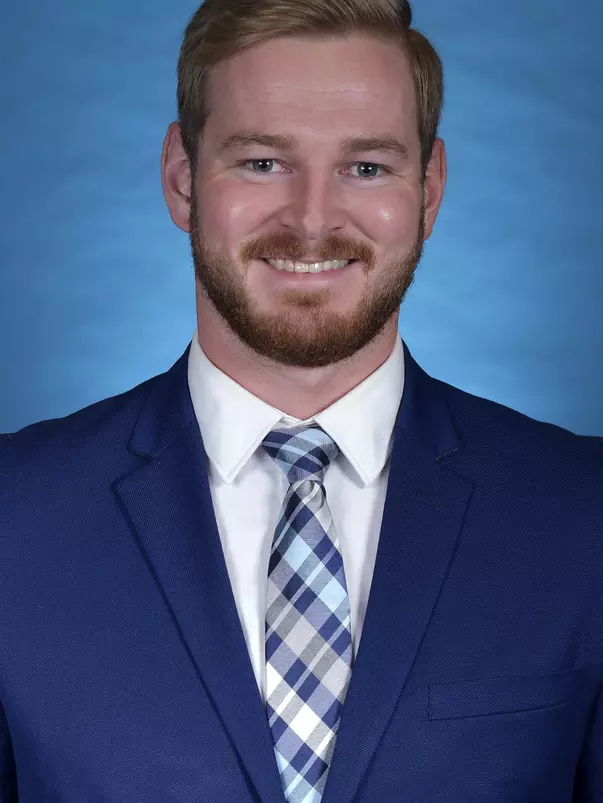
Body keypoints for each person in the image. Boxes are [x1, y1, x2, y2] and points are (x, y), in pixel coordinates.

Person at [0, 0, 601, 799]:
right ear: (182, 179)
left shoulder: (582, 516)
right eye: (260, 162)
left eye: (365, 167)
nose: (312, 222)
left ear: (428, 188)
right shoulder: (14, 516)